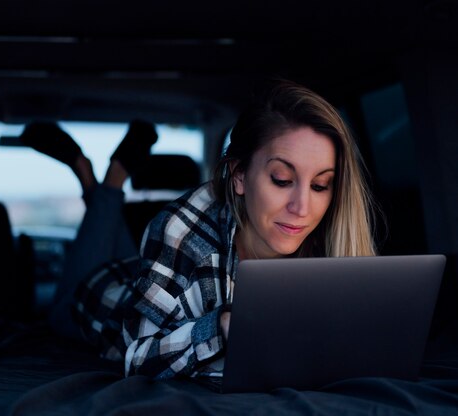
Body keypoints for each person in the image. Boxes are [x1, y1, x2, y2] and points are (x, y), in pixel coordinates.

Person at [20, 79, 378, 381]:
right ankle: (101, 176)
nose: (302, 208)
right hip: (98, 300)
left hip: (145, 271)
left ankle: (102, 183)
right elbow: (138, 354)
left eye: (321, 186)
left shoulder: (329, 234)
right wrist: (220, 326)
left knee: (129, 256)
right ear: (239, 176)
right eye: (282, 179)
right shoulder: (181, 229)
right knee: (60, 309)